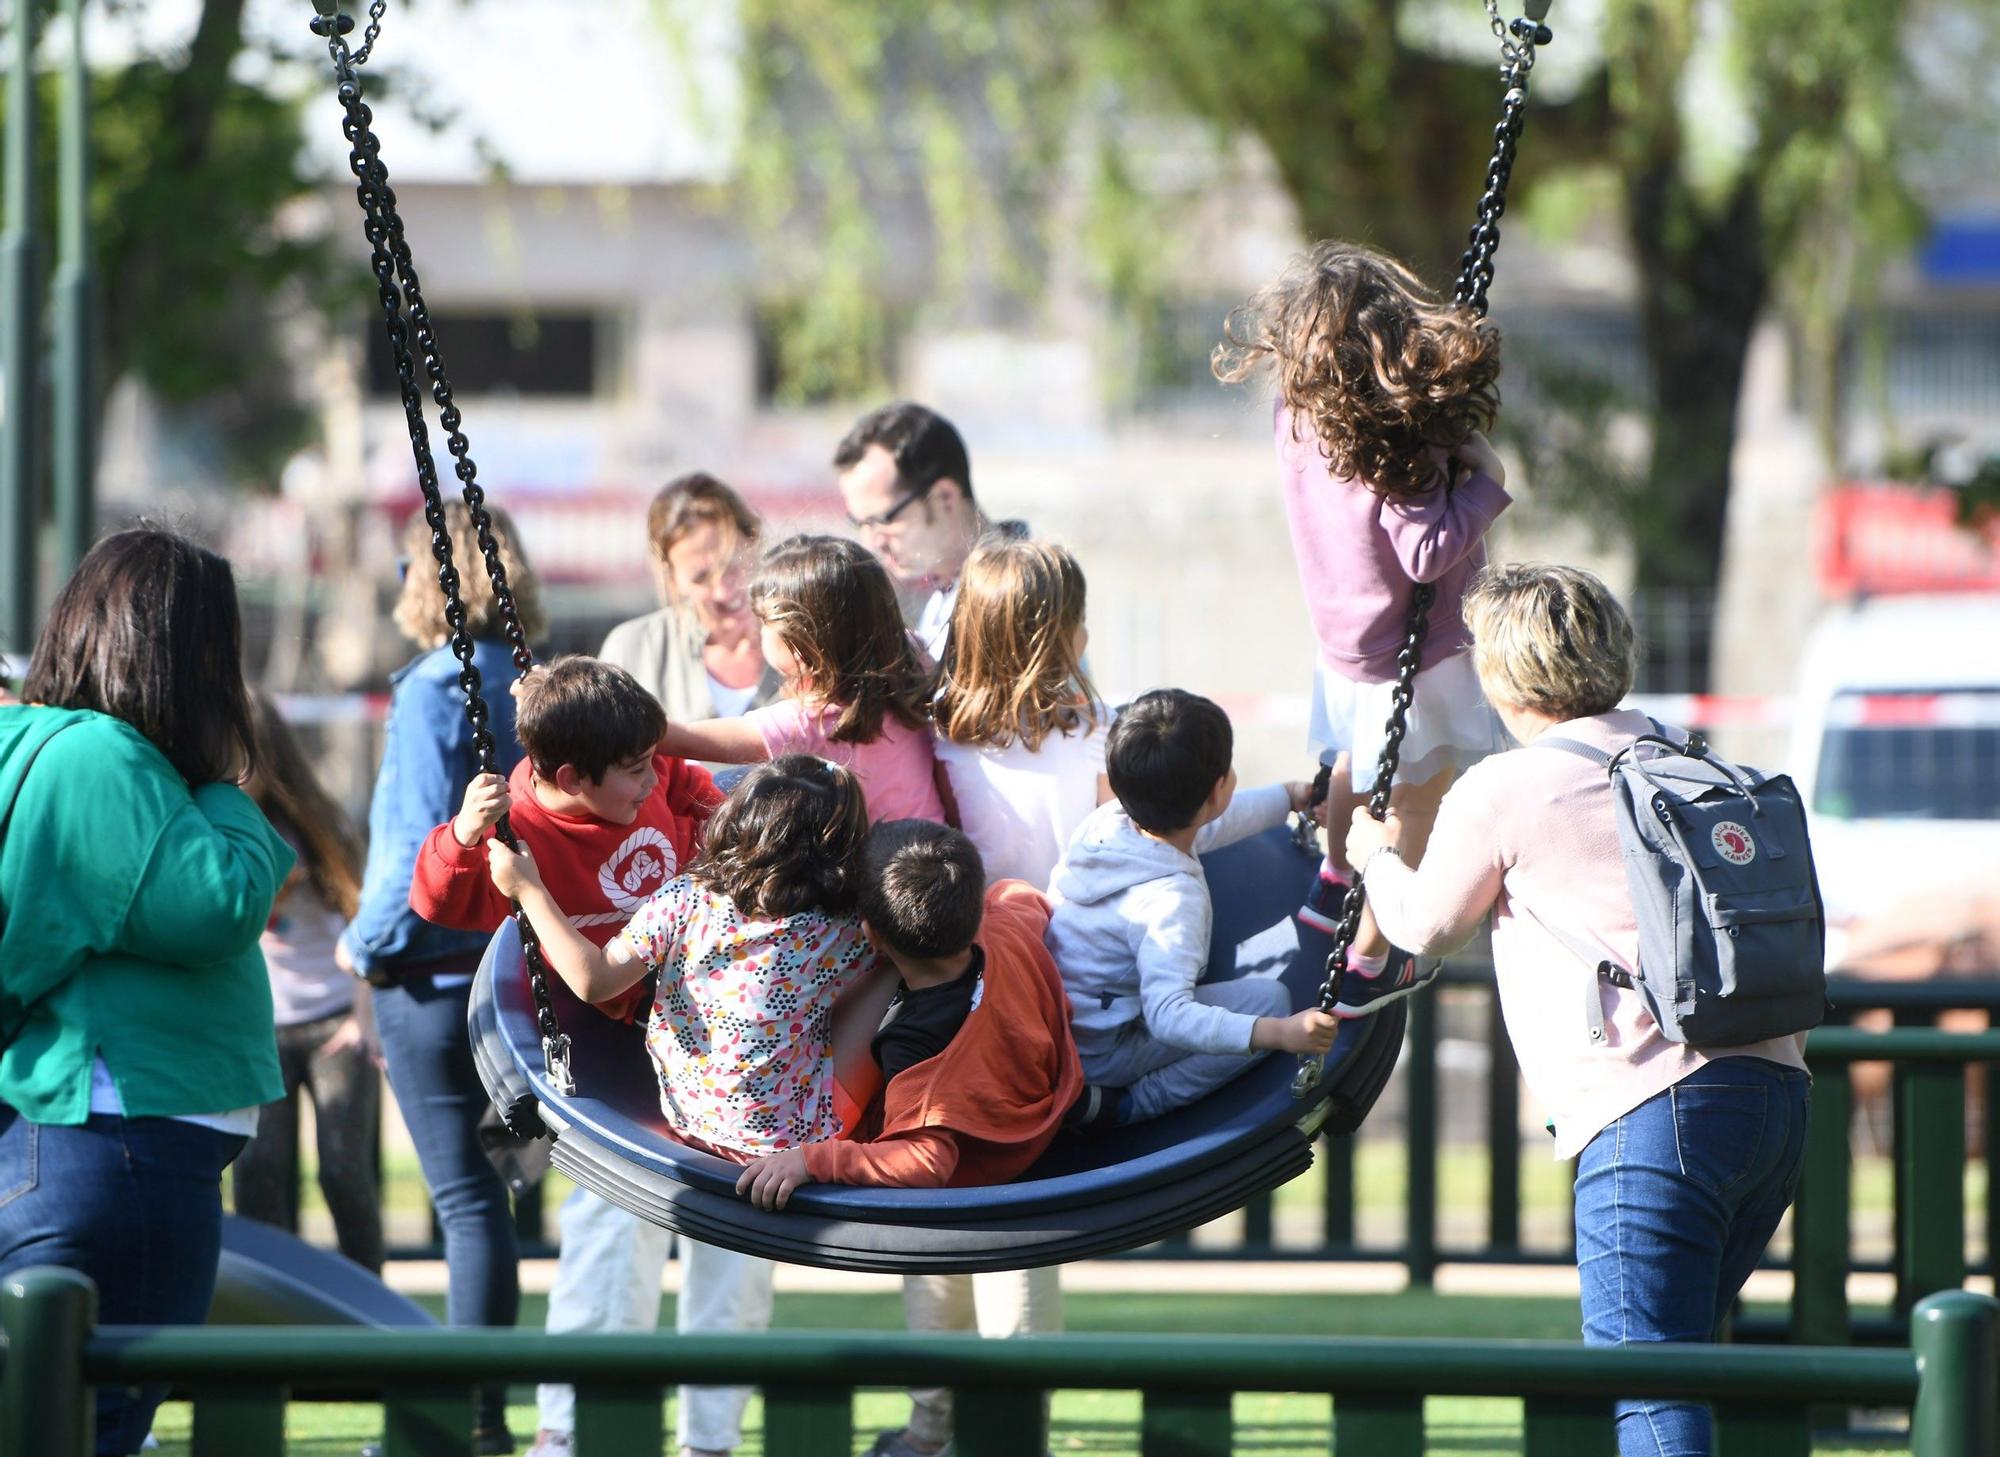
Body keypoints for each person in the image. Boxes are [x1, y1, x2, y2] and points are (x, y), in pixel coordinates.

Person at [1347, 563, 1811, 1457]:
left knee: (1647, 1385)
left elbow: (1423, 926)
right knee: (1684, 1366)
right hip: (1776, 1095)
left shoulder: (1508, 786)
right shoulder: (1695, 753)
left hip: (1646, 1106)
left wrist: (1374, 852)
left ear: (1503, 673)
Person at [487, 756, 874, 1457]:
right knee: (728, 1290)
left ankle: (572, 1429)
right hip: (774, 1147)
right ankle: (706, 1442)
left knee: (612, 1247)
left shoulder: (684, 898)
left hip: (675, 1121)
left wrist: (529, 888)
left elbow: (592, 974)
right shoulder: (841, 931)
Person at [0, 528, 292, 1456]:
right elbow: (219, 901)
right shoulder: (105, 758)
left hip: (84, 1145)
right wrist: (224, 787)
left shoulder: (47, 744)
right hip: (113, 1147)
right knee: (90, 1428)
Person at [411, 655, 726, 1457]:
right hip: (599, 1038)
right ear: (567, 776)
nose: (648, 781)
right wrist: (461, 837)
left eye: (650, 764)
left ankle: (709, 1435)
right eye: (629, 775)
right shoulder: (521, 831)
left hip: (698, 1021)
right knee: (607, 1222)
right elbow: (442, 903)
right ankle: (565, 1427)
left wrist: (715, 828)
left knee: (729, 1228)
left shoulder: (647, 769)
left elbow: (690, 786)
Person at [532, 475, 779, 1457]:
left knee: (735, 1208)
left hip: (753, 972)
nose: (723, 588)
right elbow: (595, 780)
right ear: (665, 576)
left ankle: (709, 1435)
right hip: (644, 960)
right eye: (699, 571)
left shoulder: (795, 644)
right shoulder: (635, 653)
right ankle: (572, 1422)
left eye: (735, 562)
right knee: (613, 1200)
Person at [1215, 240, 1513, 1016]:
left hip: (1342, 648)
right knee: (1418, 801)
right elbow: (1426, 551)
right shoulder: (1401, 440)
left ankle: (1330, 889)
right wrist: (1486, 483)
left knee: (1351, 767)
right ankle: (1372, 954)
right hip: (1417, 662)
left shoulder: (1296, 415)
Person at [736, 821, 1081, 1457]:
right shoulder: (1002, 925)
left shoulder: (916, 1051)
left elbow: (925, 1159)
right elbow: (1025, 898)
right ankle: (933, 1432)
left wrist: (815, 1158)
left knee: (996, 1297)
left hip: (991, 1177)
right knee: (938, 1284)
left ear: (870, 934)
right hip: (1038, 1117)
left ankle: (999, 1440)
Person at [341, 501, 544, 1455]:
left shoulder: (433, 688)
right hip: (509, 965)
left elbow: (418, 841)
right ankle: (485, 1414)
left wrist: (364, 944)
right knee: (488, 1199)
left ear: (430, 578)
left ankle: (467, 1419)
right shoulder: (534, 685)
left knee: (466, 1201)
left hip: (428, 971)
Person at [1047, 690, 1337, 1128]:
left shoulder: (1109, 823)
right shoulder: (1169, 902)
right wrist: (1279, 1033)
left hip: (1066, 1022)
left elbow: (1210, 824)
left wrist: (1288, 797)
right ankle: (1137, 1102)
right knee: (1272, 1003)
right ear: (1219, 788)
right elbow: (1168, 1017)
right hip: (1102, 1051)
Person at [233, 694, 384, 1273]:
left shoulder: (322, 828)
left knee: (343, 1170)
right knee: (259, 1169)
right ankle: (271, 1302)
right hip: (263, 1028)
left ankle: (370, 1300)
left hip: (332, 1021)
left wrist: (361, 1020)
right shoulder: (219, 822)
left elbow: (365, 926)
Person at [663, 535, 945, 825]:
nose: (758, 634)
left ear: (800, 640)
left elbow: (686, 740)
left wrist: (623, 722)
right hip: (939, 851)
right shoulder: (912, 658)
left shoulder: (813, 720)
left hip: (879, 867)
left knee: (729, 784)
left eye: (764, 623)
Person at [931, 536, 1110, 891]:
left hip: (987, 929)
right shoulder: (1097, 726)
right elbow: (1117, 838)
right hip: (1078, 930)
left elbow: (949, 823)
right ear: (1051, 641)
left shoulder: (946, 728)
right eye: (1081, 621)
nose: (1087, 635)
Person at [834, 401, 1021, 661]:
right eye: (861, 524)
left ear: (944, 497)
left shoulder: (1020, 595)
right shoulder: (947, 590)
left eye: (883, 519)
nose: (872, 542)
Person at [598, 472, 782, 723]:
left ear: (754, 542)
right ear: (671, 577)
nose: (723, 592)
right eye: (700, 577)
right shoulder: (633, 650)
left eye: (732, 567)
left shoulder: (808, 641)